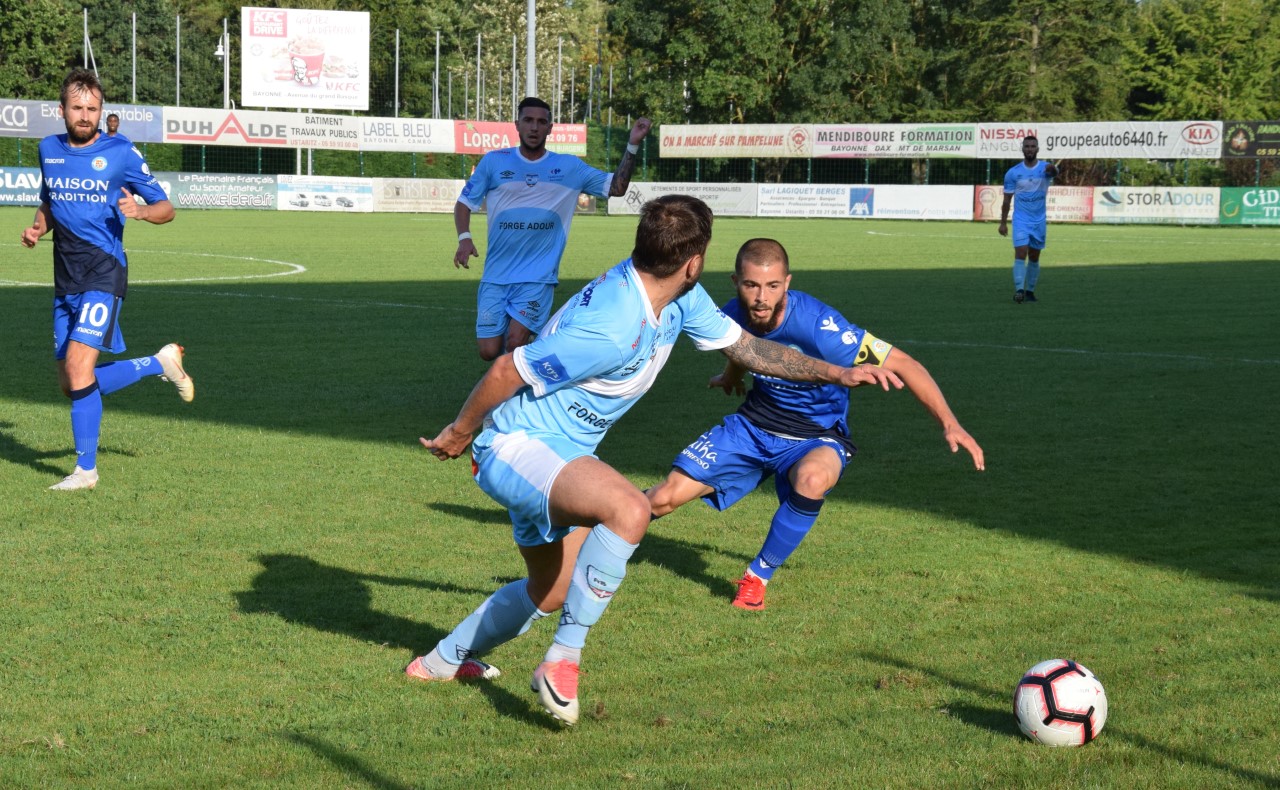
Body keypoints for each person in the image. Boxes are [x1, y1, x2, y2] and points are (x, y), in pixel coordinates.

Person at [409, 196, 903, 725]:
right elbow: (508, 369)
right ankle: (561, 661)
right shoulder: (614, 324)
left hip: (560, 452)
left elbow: (751, 350)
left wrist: (836, 373)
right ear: (694, 261)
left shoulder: (678, 296)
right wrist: (461, 433)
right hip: (515, 446)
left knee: (550, 590)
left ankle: (438, 663)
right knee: (629, 510)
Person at [645, 239, 985, 610]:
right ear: (735, 282)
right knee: (662, 499)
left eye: (772, 286)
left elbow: (905, 364)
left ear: (787, 283)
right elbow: (743, 347)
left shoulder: (822, 328)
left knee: (812, 481)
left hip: (817, 435)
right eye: (751, 285)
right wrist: (730, 375)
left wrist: (949, 423)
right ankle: (594, 529)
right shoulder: (729, 314)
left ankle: (756, 577)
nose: (761, 297)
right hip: (754, 426)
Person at [20, 69, 191, 491]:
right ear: (61, 110)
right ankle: (159, 363)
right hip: (66, 278)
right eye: (76, 108)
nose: (84, 115)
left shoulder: (121, 152)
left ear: (101, 112)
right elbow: (50, 200)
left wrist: (141, 212)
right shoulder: (48, 148)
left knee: (80, 369)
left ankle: (86, 472)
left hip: (104, 271)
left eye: (91, 109)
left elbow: (166, 207)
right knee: (70, 383)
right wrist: (38, 227)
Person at [453, 96, 652, 360]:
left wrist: (632, 145)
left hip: (538, 276)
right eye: (528, 120)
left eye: (541, 122)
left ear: (550, 128)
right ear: (517, 124)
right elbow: (464, 203)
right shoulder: (494, 162)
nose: (534, 127)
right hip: (496, 274)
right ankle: (525, 371)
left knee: (515, 342)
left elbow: (616, 187)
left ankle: (513, 394)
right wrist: (465, 238)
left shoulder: (569, 167)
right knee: (488, 351)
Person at [998, 135, 1058, 303]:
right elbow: (1006, 200)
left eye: (1033, 146)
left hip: (1039, 220)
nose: (1030, 149)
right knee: (1021, 252)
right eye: (1027, 146)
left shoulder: (1045, 168)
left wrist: (1053, 170)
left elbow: (1054, 172)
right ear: (1023, 149)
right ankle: (1019, 290)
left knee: (1034, 256)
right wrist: (1003, 223)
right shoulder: (1013, 173)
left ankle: (1030, 291)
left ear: (1037, 149)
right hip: (1021, 220)